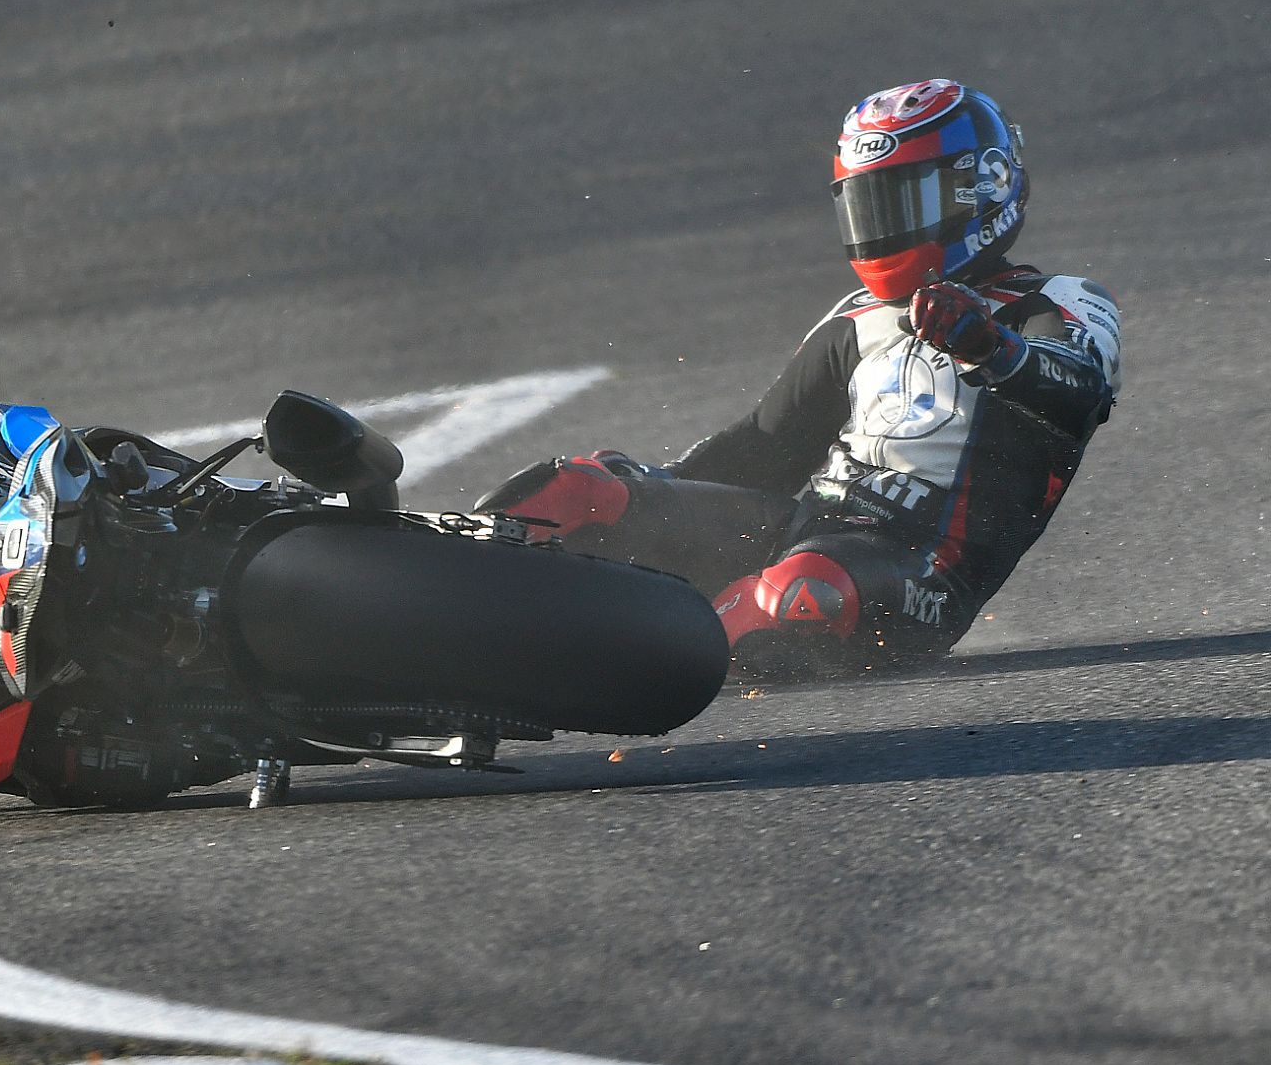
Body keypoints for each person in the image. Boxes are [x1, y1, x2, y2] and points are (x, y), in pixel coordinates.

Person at [477, 79, 1121, 677]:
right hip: (795, 525)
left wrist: (988, 345)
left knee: (801, 589)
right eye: (867, 205)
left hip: (915, 574)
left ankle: (589, 665)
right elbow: (765, 445)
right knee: (578, 487)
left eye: (901, 199)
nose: (879, 227)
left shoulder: (1058, 302)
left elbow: (1079, 393)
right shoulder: (856, 319)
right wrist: (651, 484)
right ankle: (438, 593)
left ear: (982, 190)